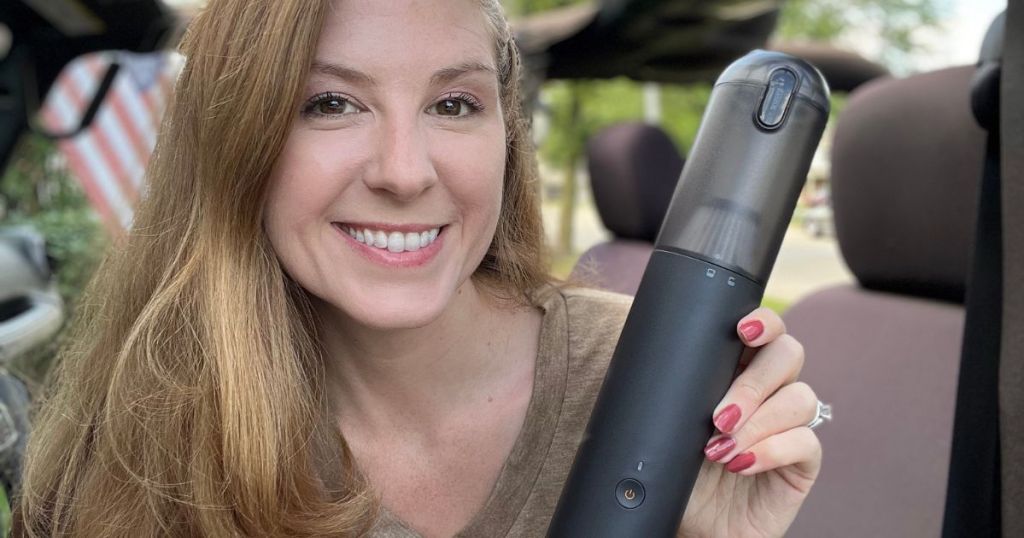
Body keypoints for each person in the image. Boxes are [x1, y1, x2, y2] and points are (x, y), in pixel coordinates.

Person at [15, 1, 825, 536]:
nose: (405, 172)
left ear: (507, 135)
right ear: (237, 140)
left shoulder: (658, 384)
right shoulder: (130, 437)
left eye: (453, 104)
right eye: (330, 103)